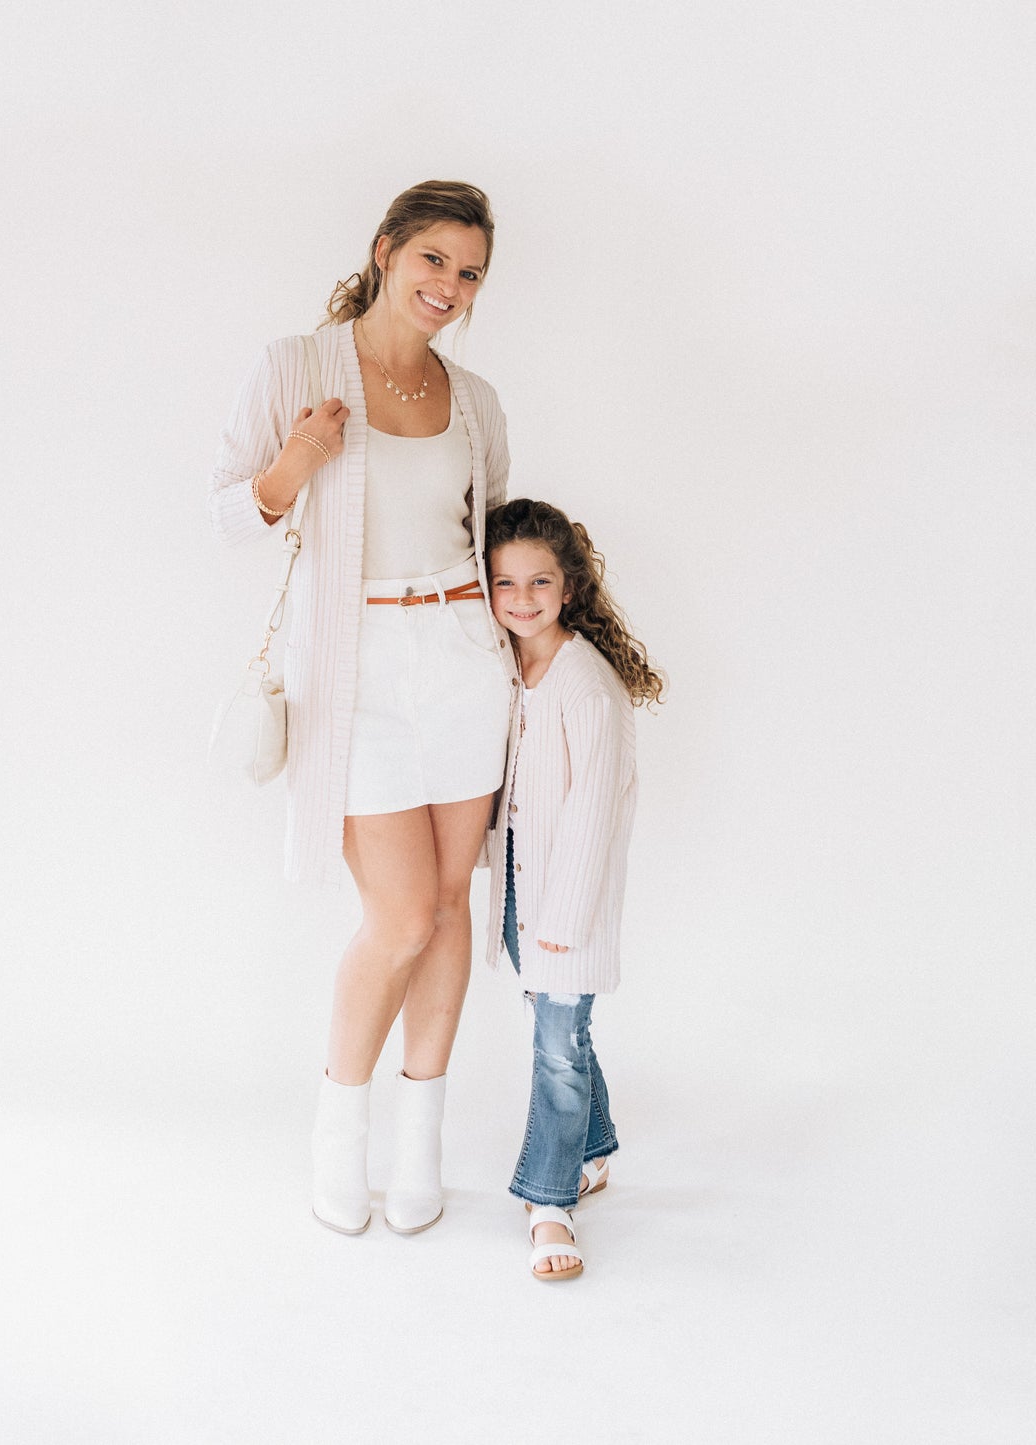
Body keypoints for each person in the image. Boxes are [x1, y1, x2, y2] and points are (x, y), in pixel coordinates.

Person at [208, 182, 515, 1235]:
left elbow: (488, 532)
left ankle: (420, 1138)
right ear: (386, 250)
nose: (448, 286)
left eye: (468, 272)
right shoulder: (294, 365)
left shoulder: (471, 398)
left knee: (450, 906)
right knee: (398, 915)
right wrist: (296, 462)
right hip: (357, 663)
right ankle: (340, 1127)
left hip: (463, 654)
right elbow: (223, 513)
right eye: (433, 258)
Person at [483, 498, 665, 1280]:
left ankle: (549, 1201)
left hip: (567, 899)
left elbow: (595, 805)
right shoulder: (509, 665)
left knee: (555, 1047)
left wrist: (560, 918)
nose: (521, 599)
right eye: (504, 582)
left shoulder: (584, 682)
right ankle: (593, 1148)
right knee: (561, 1029)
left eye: (539, 582)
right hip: (522, 885)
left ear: (569, 587)